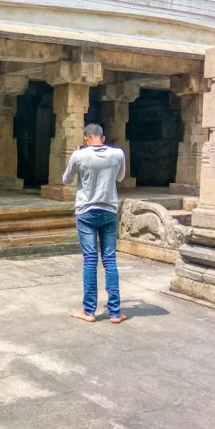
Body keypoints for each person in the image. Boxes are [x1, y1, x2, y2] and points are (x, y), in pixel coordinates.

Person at [62, 124, 127, 324]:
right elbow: (120, 177)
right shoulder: (118, 154)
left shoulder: (79, 155)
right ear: (103, 137)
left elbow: (66, 180)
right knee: (110, 260)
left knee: (90, 260)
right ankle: (115, 312)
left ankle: (89, 311)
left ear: (86, 138)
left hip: (86, 211)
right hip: (108, 210)